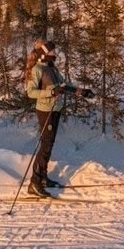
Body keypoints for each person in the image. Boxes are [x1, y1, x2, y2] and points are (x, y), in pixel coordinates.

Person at [23, 40, 90, 196]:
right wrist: (51, 93)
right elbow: (31, 92)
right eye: (52, 51)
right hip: (45, 110)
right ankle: (35, 182)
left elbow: (64, 85)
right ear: (44, 53)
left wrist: (82, 91)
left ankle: (43, 178)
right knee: (45, 146)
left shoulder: (51, 68)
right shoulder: (37, 69)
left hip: (55, 109)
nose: (55, 53)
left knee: (49, 145)